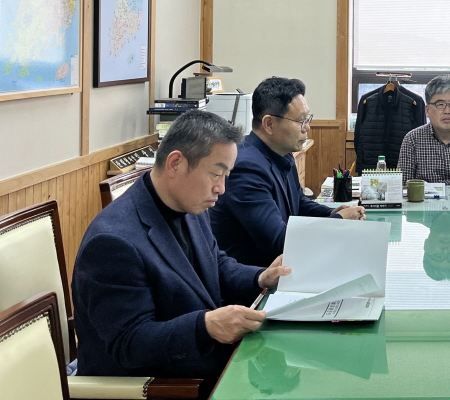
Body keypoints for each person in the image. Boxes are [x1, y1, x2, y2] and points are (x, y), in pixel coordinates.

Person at [72, 110, 290, 380]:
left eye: (226, 176)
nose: (221, 189)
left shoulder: (188, 204)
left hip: (203, 365)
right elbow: (130, 344)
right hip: (161, 386)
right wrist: (205, 327)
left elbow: (216, 264)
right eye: (215, 174)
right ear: (176, 163)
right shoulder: (112, 243)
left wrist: (260, 277)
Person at [210, 77, 365, 267]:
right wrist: (338, 221)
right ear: (269, 124)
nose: (307, 127)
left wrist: (332, 212)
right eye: (300, 121)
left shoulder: (282, 153)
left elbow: (298, 204)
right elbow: (278, 241)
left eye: (307, 119)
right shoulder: (246, 168)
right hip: (255, 282)